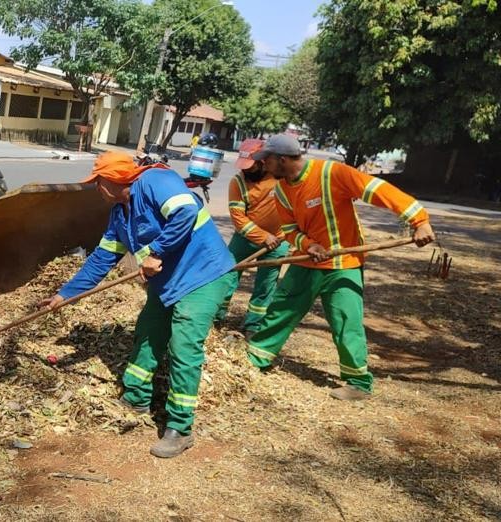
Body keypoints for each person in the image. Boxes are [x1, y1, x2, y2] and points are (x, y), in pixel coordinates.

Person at [38, 151, 235, 458]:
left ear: (115, 179)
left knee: (184, 345)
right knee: (147, 333)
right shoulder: (120, 215)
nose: (97, 189)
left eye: (99, 182)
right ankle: (136, 397)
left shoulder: (155, 180)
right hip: (167, 283)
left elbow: (185, 211)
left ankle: (180, 428)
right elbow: (101, 260)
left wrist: (157, 251)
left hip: (203, 275)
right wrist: (65, 294)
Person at [245, 134, 436, 400]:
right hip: (307, 262)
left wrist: (419, 219)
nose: (263, 166)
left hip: (343, 265)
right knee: (281, 309)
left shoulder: (330, 173)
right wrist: (308, 245)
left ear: (283, 159)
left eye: (266, 160)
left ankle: (358, 383)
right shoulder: (282, 190)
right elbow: (289, 229)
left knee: (347, 321)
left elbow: (378, 190)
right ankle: (255, 358)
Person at [215, 139, 289, 339]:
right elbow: (239, 219)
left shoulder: (281, 177)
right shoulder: (237, 183)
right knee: (228, 274)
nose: (247, 171)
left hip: (279, 242)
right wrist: (264, 237)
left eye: (251, 166)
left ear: (263, 161)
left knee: (266, 285)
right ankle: (216, 316)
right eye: (244, 167)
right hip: (246, 238)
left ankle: (253, 325)